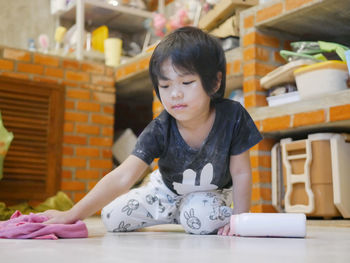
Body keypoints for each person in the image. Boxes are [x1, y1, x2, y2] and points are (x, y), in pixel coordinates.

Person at [43, 26, 262, 236]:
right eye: (165, 86)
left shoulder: (232, 116)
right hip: (163, 193)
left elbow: (241, 172)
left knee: (201, 219)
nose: (175, 94)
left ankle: (190, 214)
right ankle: (174, 214)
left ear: (214, 82)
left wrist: (239, 219)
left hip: (210, 196)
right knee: (111, 217)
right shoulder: (160, 128)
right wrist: (72, 214)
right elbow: (123, 176)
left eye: (186, 82)